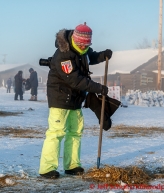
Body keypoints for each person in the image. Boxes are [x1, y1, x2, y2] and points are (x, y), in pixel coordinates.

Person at [39, 22, 112, 179]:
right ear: (75, 40)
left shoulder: (82, 48)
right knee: (56, 133)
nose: (84, 48)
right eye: (82, 45)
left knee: (75, 132)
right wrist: (98, 88)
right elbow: (75, 80)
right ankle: (47, 168)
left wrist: (102, 55)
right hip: (60, 98)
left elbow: (89, 56)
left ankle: (72, 165)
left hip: (76, 99)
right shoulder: (63, 56)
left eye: (87, 45)